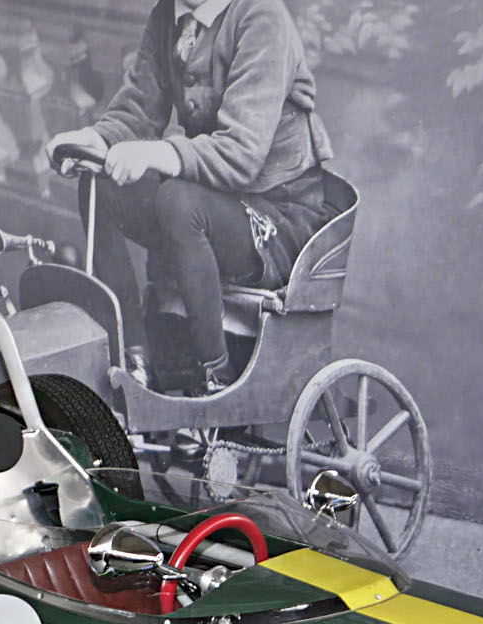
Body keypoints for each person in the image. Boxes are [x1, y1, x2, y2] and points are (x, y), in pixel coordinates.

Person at [44, 0, 337, 396]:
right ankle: (134, 357)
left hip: (277, 217)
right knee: (102, 187)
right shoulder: (169, 17)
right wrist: (93, 140)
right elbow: (137, 111)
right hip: (209, 201)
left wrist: (156, 153)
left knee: (177, 202)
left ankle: (218, 375)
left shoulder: (261, 16)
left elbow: (242, 152)